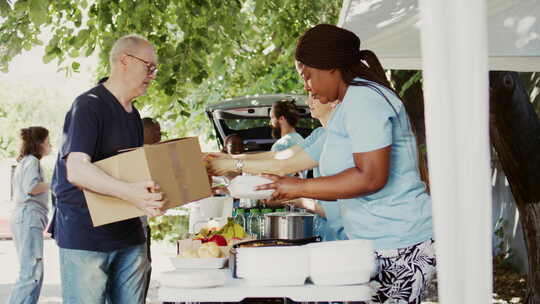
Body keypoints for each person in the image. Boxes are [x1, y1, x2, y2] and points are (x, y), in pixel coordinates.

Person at [256, 24, 435, 303]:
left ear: (330, 67)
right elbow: (291, 161)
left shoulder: (364, 99)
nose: (307, 87)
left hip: (400, 242)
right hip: (375, 243)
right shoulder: (348, 105)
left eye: (308, 76)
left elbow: (371, 177)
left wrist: (299, 187)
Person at [49, 34, 163, 303]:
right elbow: (76, 170)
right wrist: (130, 193)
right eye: (150, 67)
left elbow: (129, 171)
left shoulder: (133, 115)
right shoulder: (88, 105)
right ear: (124, 60)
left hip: (129, 235)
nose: (153, 75)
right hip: (87, 237)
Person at [207, 95, 346, 241]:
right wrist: (230, 159)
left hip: (338, 228)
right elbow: (278, 156)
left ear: (335, 102)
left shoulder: (332, 138)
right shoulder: (318, 134)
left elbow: (282, 166)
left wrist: (232, 165)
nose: (308, 101)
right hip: (324, 223)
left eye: (315, 96)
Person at [8, 126, 51, 304]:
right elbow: (31, 188)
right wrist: (53, 183)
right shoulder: (32, 161)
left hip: (24, 217)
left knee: (33, 272)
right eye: (48, 142)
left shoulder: (25, 161)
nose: (50, 145)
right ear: (39, 143)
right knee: (31, 272)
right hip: (29, 217)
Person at [141, 117, 162, 300]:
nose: (160, 135)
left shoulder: (154, 156)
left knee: (146, 268)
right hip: (132, 228)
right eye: (156, 131)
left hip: (142, 225)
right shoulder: (135, 157)